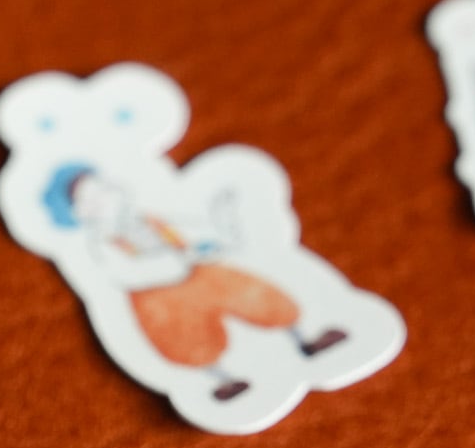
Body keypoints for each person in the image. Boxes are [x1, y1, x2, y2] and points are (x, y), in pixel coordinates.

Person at [43, 164, 346, 402]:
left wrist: (216, 233)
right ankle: (223, 381)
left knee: (253, 293)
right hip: (158, 296)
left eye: (104, 188)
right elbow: (122, 272)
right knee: (188, 338)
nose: (105, 197)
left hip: (197, 275)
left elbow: (193, 233)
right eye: (92, 198)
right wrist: (168, 258)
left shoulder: (150, 221)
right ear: (79, 211)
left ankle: (304, 338)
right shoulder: (101, 244)